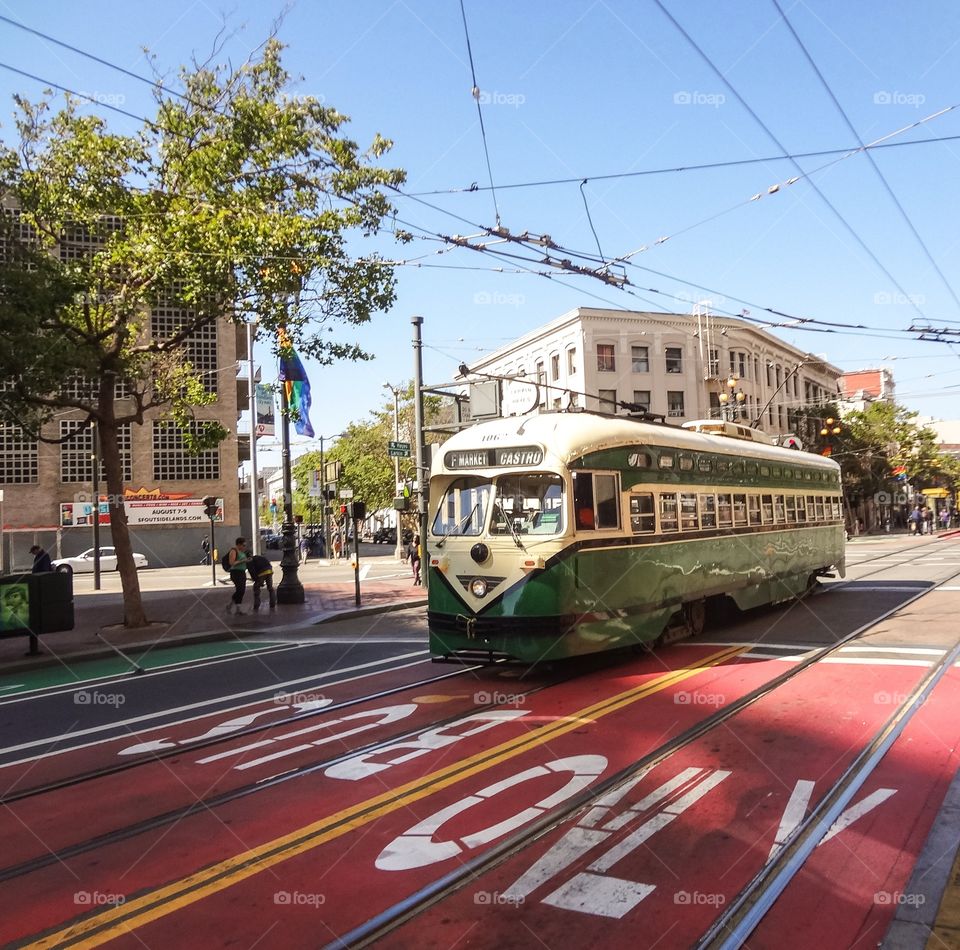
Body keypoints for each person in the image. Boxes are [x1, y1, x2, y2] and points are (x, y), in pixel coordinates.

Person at [225, 537, 249, 615]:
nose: (244, 546)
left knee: (241, 590)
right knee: (240, 589)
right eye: (243, 545)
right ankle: (236, 608)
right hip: (236, 573)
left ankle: (231, 606)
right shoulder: (233, 551)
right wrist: (243, 561)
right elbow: (232, 563)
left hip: (242, 572)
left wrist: (247, 560)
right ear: (239, 544)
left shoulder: (242, 552)